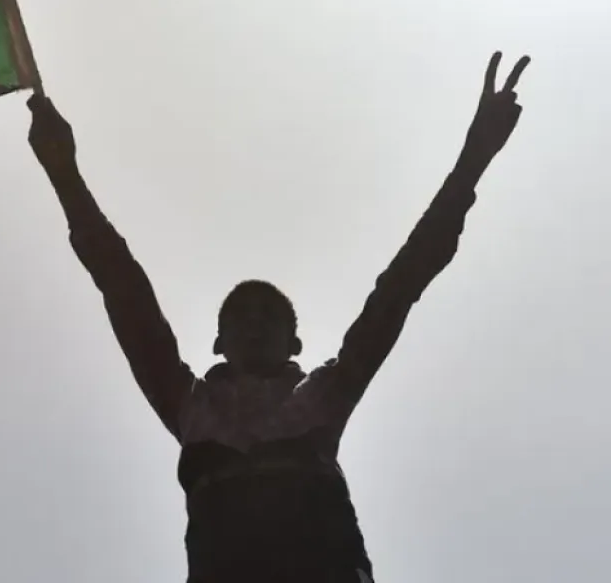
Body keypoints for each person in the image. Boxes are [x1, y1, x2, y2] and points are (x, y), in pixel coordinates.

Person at [27, 52, 529, 583]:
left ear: (296, 343)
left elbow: (402, 283)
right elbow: (124, 289)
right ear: (218, 343)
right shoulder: (191, 406)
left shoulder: (322, 396)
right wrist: (65, 175)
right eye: (241, 316)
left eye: (271, 316)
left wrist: (474, 160)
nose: (256, 323)